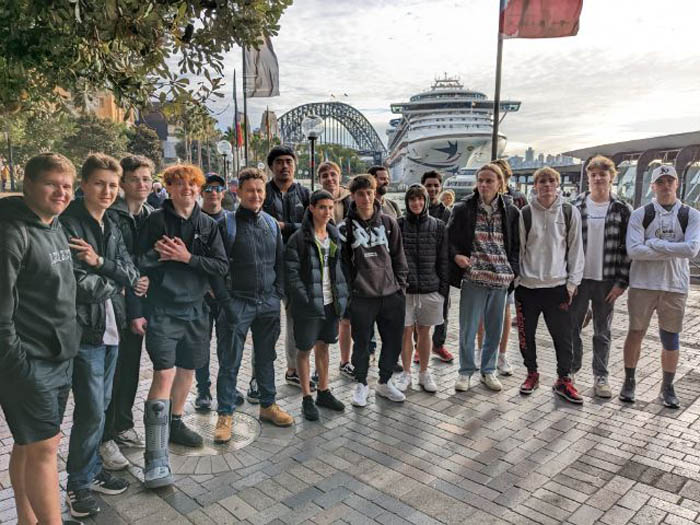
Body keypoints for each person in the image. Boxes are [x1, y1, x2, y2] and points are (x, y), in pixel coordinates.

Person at [136, 164, 228, 488]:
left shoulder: (208, 224)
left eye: (192, 184)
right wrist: (158, 257)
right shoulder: (155, 221)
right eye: (179, 184)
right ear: (169, 188)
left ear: (198, 189)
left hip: (197, 311)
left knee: (188, 369)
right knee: (164, 373)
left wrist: (187, 257)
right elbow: (138, 261)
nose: (186, 189)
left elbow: (221, 265)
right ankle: (155, 457)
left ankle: (175, 422)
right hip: (163, 309)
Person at [0, 153, 79, 525]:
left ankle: (26, 520)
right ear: (28, 184)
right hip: (29, 362)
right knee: (46, 448)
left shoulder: (55, 224)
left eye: (67, 186)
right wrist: (20, 366)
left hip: (59, 354)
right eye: (52, 184)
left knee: (29, 443)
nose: (61, 192)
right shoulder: (11, 234)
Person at [61, 153, 140, 518]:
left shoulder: (112, 223)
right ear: (84, 184)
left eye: (112, 185)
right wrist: (116, 282)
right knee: (91, 411)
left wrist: (100, 264)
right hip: (86, 331)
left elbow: (130, 269)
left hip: (112, 328)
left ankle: (91, 470)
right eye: (99, 184)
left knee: (101, 406)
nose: (107, 191)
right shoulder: (69, 224)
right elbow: (77, 284)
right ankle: (77, 484)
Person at [211, 167, 294, 443]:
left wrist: (277, 294)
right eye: (250, 191)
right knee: (229, 360)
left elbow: (280, 262)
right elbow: (216, 268)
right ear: (239, 192)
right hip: (237, 302)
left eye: (259, 190)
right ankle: (225, 414)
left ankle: (268, 405)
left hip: (267, 302)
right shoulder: (226, 224)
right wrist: (226, 301)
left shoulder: (271, 223)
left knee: (266, 357)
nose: (256, 195)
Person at [621, 165, 700, 408]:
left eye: (670, 181)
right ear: (652, 186)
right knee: (636, 332)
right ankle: (629, 381)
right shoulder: (640, 214)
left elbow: (692, 249)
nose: (666, 186)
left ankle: (667, 387)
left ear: (677, 184)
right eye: (661, 182)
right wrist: (674, 250)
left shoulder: (691, 215)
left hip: (675, 285)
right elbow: (634, 251)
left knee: (670, 337)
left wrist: (654, 243)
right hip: (643, 284)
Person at [100, 155, 154, 471]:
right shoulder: (111, 215)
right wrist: (134, 278)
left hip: (139, 303)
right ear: (123, 183)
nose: (142, 184)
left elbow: (150, 256)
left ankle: (123, 424)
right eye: (135, 179)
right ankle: (105, 436)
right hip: (114, 304)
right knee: (113, 371)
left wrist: (144, 277)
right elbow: (113, 258)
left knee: (131, 366)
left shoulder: (149, 214)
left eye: (146, 179)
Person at [448, 164, 520, 393]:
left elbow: (516, 246)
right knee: (468, 329)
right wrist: (456, 255)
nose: (484, 185)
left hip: (500, 279)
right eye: (480, 180)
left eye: (489, 181)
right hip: (474, 277)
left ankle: (488, 370)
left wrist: (512, 270)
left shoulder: (511, 211)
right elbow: (449, 239)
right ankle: (465, 371)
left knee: (494, 329)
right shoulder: (463, 209)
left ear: (500, 183)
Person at [516, 166, 585, 404]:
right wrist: (517, 281)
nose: (547, 185)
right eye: (542, 181)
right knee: (526, 336)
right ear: (535, 186)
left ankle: (564, 379)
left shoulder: (568, 211)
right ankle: (531, 373)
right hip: (528, 287)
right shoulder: (525, 213)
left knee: (563, 337)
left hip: (558, 287)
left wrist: (572, 284)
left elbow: (576, 249)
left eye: (551, 181)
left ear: (557, 185)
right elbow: (520, 249)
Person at [343, 174, 409, 407]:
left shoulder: (389, 223)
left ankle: (384, 382)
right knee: (361, 344)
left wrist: (400, 287)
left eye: (369, 192)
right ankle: (361, 383)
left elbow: (399, 256)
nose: (366, 198)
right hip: (362, 296)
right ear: (353, 196)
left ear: (375, 193)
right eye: (360, 194)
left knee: (392, 341)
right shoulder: (345, 227)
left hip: (391, 294)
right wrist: (351, 292)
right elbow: (343, 264)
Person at [570, 156, 632, 398]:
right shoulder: (575, 206)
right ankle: (570, 372)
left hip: (607, 281)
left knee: (602, 332)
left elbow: (628, 250)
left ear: (611, 178)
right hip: (579, 280)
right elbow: (566, 245)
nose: (597, 179)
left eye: (602, 175)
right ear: (588, 178)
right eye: (593, 175)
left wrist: (621, 283)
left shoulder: (622, 209)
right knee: (572, 328)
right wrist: (569, 280)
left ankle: (601, 376)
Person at [285, 189, 349, 420]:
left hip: (330, 303)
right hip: (308, 305)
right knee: (304, 350)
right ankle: (306, 397)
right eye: (322, 207)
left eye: (330, 208)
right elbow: (291, 274)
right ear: (311, 208)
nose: (326, 212)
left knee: (324, 347)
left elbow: (340, 268)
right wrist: (305, 298)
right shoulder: (299, 238)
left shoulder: (334, 235)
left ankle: (323, 391)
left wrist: (342, 295)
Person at [262, 145, 312, 391]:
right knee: (266, 323)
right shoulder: (262, 192)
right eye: (279, 162)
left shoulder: (304, 193)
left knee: (295, 320)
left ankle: (293, 370)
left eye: (289, 161)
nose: (284, 166)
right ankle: (260, 376)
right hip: (268, 266)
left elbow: (313, 225)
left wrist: (285, 226)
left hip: (297, 266)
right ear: (271, 166)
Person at [194, 173, 245, 411]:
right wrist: (207, 286)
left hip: (227, 295)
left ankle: (228, 386)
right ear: (201, 192)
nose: (213, 192)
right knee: (201, 344)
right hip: (202, 295)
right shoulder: (193, 219)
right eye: (208, 188)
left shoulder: (232, 219)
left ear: (223, 192)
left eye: (217, 188)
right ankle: (203, 389)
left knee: (227, 345)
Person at [395, 184, 449, 393]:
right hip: (405, 290)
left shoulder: (438, 226)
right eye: (412, 199)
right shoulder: (398, 224)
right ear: (407, 202)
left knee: (425, 332)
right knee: (405, 331)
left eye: (420, 199)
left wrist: (442, 290)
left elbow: (443, 259)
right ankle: (406, 372)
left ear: (426, 201)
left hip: (430, 288)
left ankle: (424, 373)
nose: (416, 203)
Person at [476, 159, 526, 376]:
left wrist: (513, 270)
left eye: (500, 176)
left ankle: (502, 355)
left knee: (504, 312)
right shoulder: (477, 201)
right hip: (482, 268)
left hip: (504, 271)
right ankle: (481, 352)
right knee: (481, 313)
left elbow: (519, 240)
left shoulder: (516, 200)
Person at [318, 161, 354, 377]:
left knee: (346, 319)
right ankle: (319, 368)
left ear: (339, 176)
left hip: (348, 267)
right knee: (322, 320)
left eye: (333, 174)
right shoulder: (316, 201)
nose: (330, 179)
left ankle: (345, 361)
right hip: (324, 268)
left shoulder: (351, 199)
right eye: (325, 176)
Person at [420, 170, 454, 364]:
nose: (432, 189)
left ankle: (438, 344)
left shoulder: (447, 213)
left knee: (443, 308)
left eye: (435, 185)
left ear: (440, 188)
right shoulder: (415, 209)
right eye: (428, 185)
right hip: (420, 268)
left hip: (441, 268)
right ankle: (419, 347)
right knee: (418, 309)